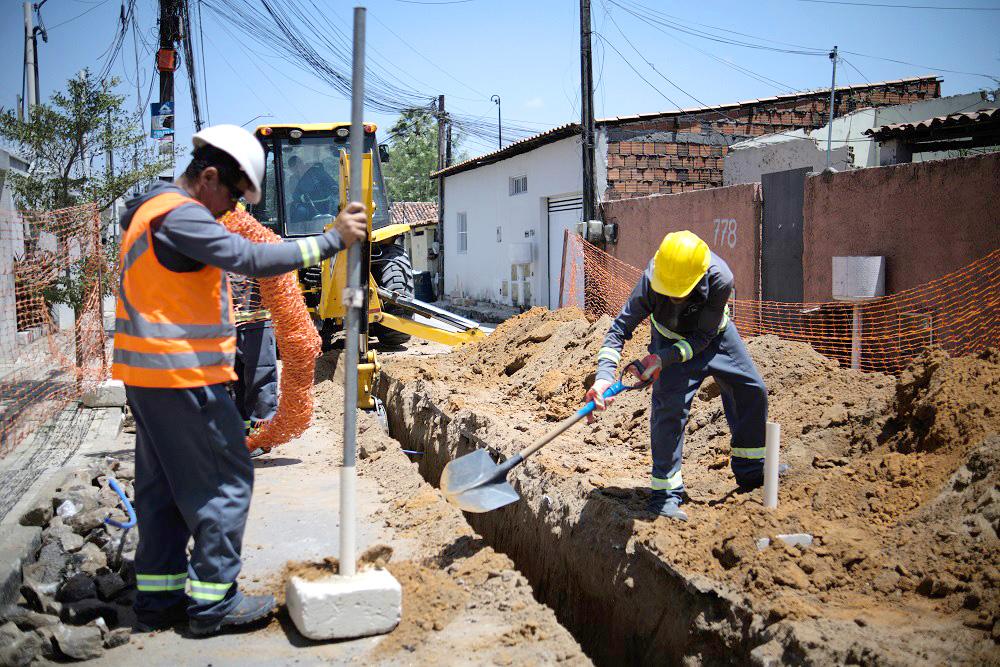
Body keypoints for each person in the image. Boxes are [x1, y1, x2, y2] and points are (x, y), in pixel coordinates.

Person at [113, 124, 367, 635]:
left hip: (148, 378)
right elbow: (249, 258)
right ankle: (214, 603)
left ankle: (159, 599)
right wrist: (331, 241)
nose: (231, 210)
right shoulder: (180, 215)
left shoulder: (149, 210)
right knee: (226, 482)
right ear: (208, 176)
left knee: (163, 491)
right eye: (231, 196)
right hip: (183, 377)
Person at [586, 230, 769, 522]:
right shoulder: (652, 279)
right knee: (669, 411)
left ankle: (752, 471)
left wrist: (664, 359)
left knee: (752, 389)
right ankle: (665, 495)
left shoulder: (721, 278)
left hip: (717, 338)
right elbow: (619, 329)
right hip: (668, 339)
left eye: (678, 291)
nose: (671, 296)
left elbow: (703, 337)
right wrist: (603, 377)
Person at [228, 273, 277, 458]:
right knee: (233, 384)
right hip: (225, 325)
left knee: (260, 381)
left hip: (256, 323)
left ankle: (261, 438)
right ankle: (238, 436)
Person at [287, 154, 337, 221]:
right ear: (291, 169)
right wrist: (301, 199)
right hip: (308, 208)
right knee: (300, 211)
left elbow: (333, 185)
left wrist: (334, 189)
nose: (298, 169)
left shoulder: (317, 172)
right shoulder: (293, 180)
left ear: (302, 163)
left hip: (327, 205)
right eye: (294, 168)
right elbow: (295, 196)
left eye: (298, 165)